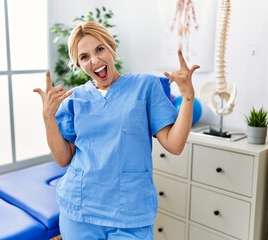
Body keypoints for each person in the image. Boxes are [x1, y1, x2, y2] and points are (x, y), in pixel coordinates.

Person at [33, 21, 200, 240]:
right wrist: (48, 117)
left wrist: (188, 96)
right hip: (80, 209)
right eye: (84, 57)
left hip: (131, 213)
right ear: (78, 64)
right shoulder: (74, 99)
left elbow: (174, 145)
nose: (95, 60)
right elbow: (63, 158)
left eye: (100, 49)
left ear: (112, 47)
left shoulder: (145, 86)